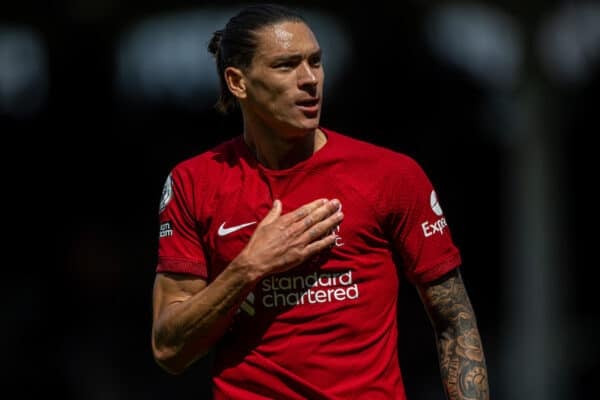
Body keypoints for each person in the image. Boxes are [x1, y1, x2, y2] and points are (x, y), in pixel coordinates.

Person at [151, 3, 490, 399]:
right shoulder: (194, 182)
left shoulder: (391, 175)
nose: (310, 79)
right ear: (237, 82)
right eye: (286, 65)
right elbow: (168, 349)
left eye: (316, 62)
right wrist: (248, 268)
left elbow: (454, 321)